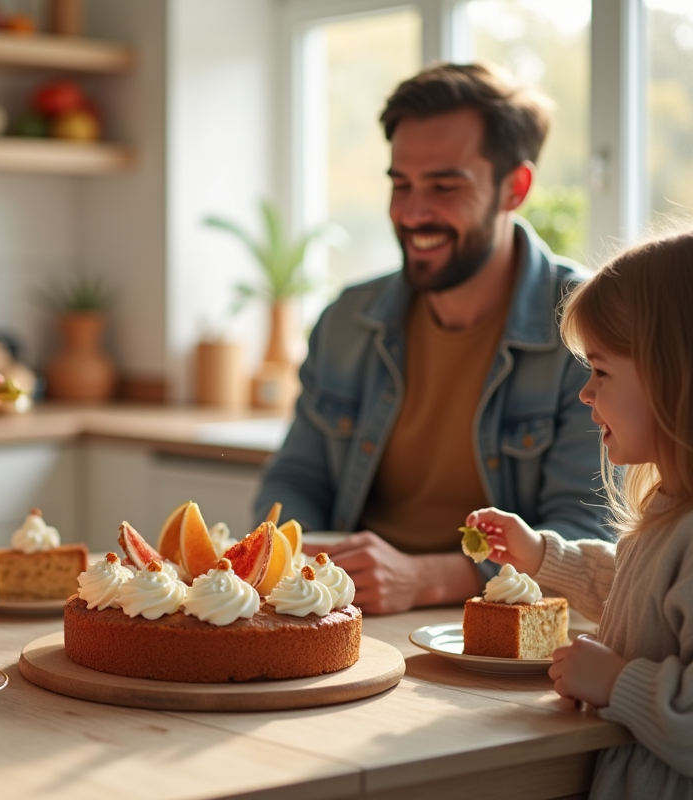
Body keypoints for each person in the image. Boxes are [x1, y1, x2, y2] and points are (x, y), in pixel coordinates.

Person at [255, 62, 611, 615]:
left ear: (513, 188)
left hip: (498, 629)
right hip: (349, 613)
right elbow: (296, 482)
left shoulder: (588, 327)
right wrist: (303, 571)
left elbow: (585, 537)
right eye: (401, 184)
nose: (413, 212)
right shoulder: (348, 318)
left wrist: (427, 579)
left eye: (444, 186)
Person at [468, 230, 693, 797]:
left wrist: (619, 683)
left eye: (601, 371)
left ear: (673, 375)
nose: (585, 395)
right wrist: (544, 555)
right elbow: (641, 604)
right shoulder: (672, 509)